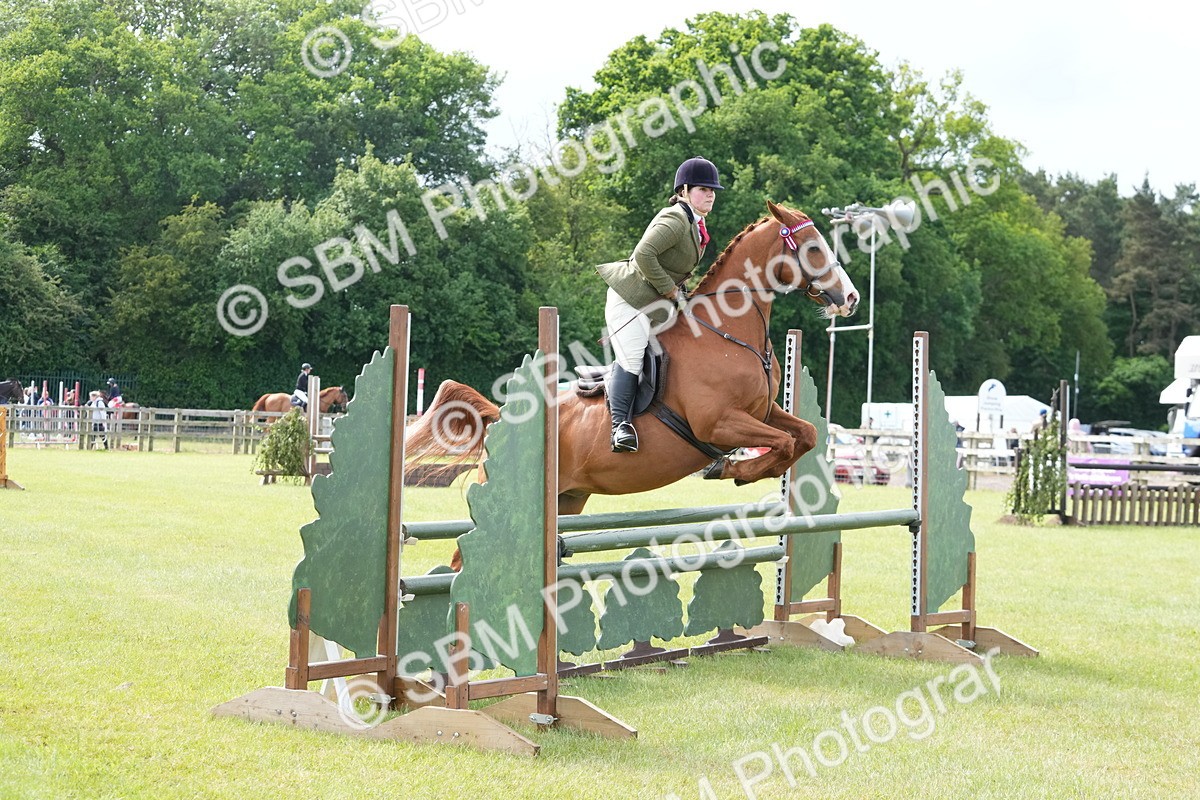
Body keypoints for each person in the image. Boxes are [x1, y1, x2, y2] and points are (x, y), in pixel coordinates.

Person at [595, 156, 723, 453]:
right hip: (629, 299)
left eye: (713, 189)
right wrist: (670, 291)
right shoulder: (675, 217)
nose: (711, 194)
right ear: (685, 189)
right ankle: (620, 427)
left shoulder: (695, 224)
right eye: (704, 188)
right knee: (633, 358)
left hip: (653, 304)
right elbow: (643, 255)